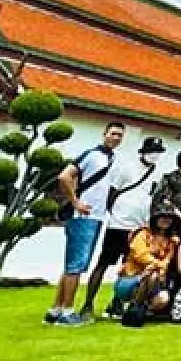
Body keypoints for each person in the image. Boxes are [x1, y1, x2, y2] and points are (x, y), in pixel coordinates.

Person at [45, 121, 126, 326]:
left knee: (73, 264)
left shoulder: (113, 158)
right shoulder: (91, 155)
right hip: (83, 215)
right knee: (77, 265)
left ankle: (56, 308)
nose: (116, 138)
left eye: (120, 135)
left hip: (97, 215)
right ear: (104, 134)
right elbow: (64, 176)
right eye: (113, 133)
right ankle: (68, 311)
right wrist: (75, 201)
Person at [80, 134, 165, 319]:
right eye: (151, 152)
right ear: (143, 152)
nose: (154, 156)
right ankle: (87, 305)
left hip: (140, 227)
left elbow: (153, 197)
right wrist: (116, 213)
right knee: (103, 263)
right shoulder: (126, 167)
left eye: (157, 153)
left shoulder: (158, 173)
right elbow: (111, 193)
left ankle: (116, 304)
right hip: (118, 224)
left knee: (130, 268)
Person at [107, 208, 177, 321]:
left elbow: (167, 262)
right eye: (163, 217)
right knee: (152, 274)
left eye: (169, 218)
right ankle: (133, 308)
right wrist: (156, 265)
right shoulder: (142, 234)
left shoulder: (171, 241)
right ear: (155, 219)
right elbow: (140, 255)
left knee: (163, 299)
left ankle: (141, 312)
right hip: (130, 280)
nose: (166, 220)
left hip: (155, 282)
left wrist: (158, 267)